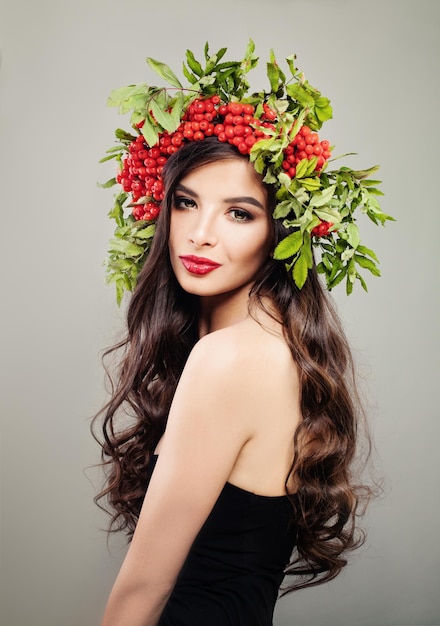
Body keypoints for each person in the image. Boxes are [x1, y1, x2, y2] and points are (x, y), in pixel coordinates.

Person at [93, 43, 390, 626]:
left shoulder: (229, 358)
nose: (200, 234)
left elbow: (141, 593)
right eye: (186, 203)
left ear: (282, 232)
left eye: (239, 213)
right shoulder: (276, 346)